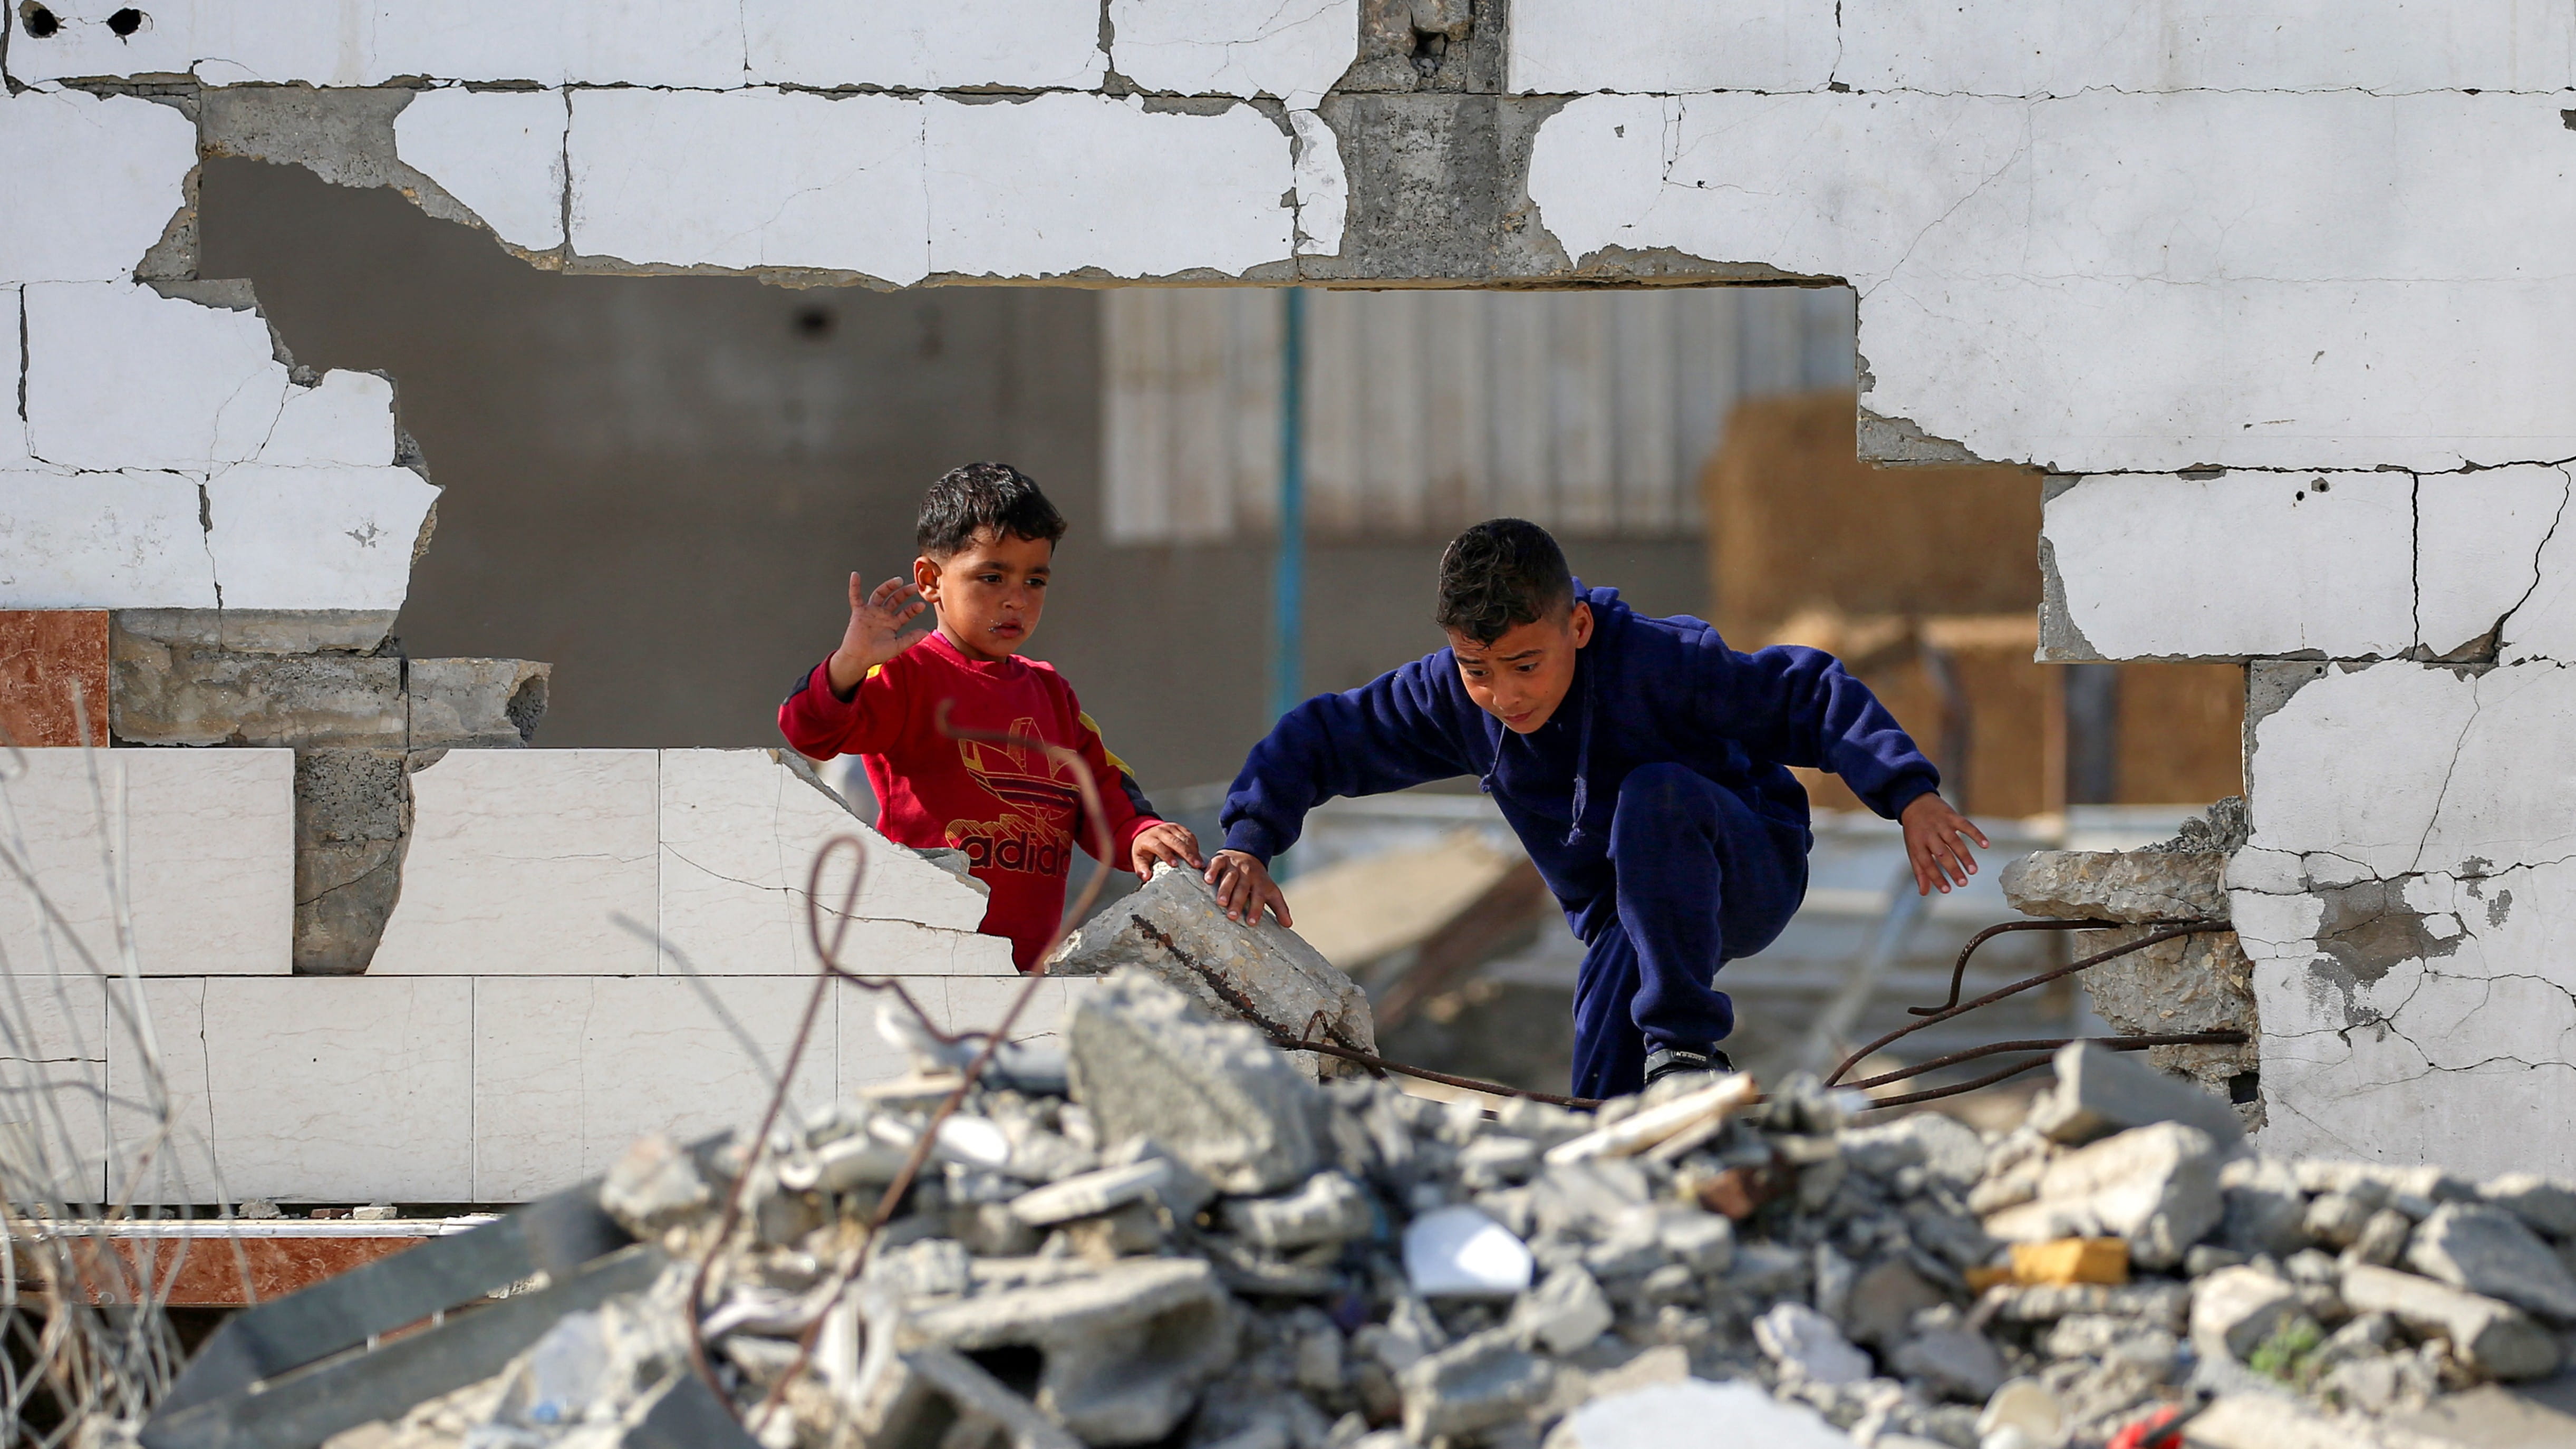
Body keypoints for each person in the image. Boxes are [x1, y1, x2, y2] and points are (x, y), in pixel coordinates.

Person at [1205, 518, 1987, 1099]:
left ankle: (1687, 1052)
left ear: (1576, 626)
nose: (1504, 696)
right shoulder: (1454, 698)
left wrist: (1909, 794)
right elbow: (1323, 737)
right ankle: (1620, 1140)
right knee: (1603, 1071)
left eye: (1524, 665)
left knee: (1655, 794)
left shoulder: (1662, 662)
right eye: (1478, 670)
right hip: (1624, 909)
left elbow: (1809, 694)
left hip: (1744, 869)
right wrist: (1250, 838)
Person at [779, 462, 1201, 970]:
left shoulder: (1051, 693)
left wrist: (1140, 832)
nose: (1016, 599)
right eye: (992, 576)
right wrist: (848, 664)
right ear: (931, 580)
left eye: (1035, 580)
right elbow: (810, 731)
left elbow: (1100, 791)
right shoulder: (905, 676)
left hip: (1025, 972)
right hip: (923, 959)